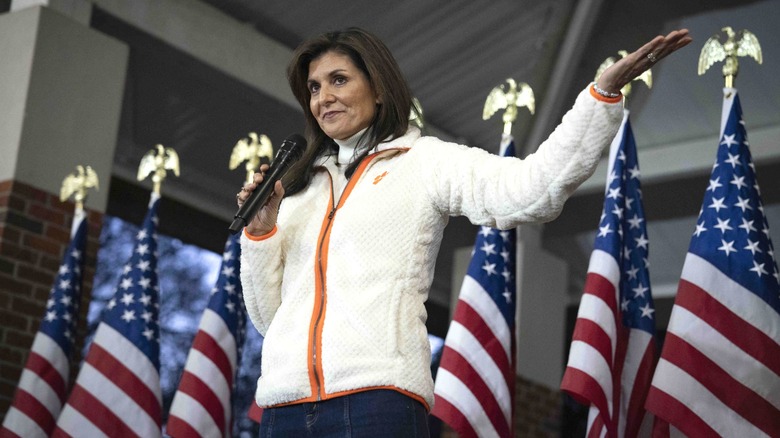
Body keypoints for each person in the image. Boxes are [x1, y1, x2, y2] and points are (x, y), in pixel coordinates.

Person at [236, 27, 691, 437]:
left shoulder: (426, 161)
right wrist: (260, 234)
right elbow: (270, 319)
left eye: (339, 80)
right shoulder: (296, 190)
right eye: (314, 87)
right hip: (283, 411)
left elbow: (531, 190)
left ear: (378, 89)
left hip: (376, 402)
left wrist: (601, 96)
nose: (323, 98)